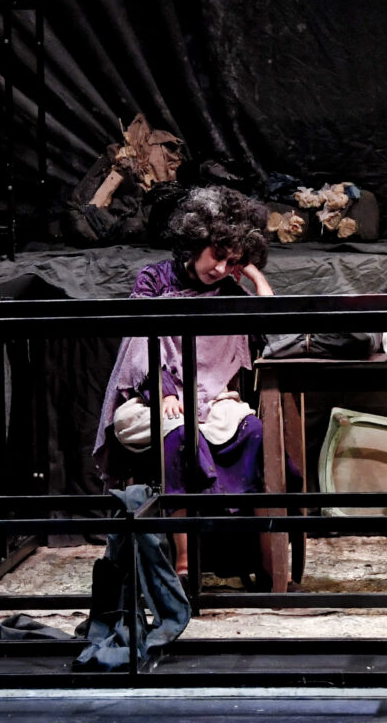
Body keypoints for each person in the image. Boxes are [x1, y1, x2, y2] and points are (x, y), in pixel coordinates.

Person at [95, 186, 273, 576]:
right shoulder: (154, 281)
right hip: (152, 398)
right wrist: (164, 391)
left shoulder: (228, 290)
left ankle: (249, 556)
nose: (222, 269)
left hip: (210, 400)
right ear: (196, 240)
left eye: (233, 261)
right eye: (218, 256)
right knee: (179, 434)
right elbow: (139, 347)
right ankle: (183, 557)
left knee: (253, 431)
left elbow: (265, 323)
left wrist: (254, 275)